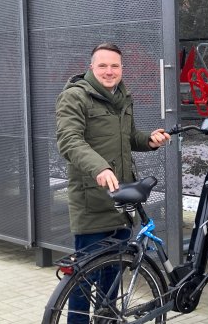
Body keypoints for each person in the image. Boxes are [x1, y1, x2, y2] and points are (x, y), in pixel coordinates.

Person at [55, 42, 171, 324]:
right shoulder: (75, 97)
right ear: (91, 66)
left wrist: (148, 140)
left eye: (115, 66)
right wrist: (99, 167)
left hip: (122, 200)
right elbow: (69, 140)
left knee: (113, 276)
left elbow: (128, 137)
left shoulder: (122, 96)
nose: (109, 71)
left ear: (121, 68)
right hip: (92, 201)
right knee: (84, 282)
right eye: (103, 65)